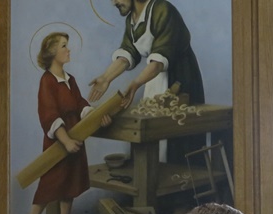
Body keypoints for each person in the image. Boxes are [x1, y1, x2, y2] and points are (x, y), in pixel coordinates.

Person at [88, 0, 206, 164]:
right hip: (153, 78)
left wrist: (136, 83)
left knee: (176, 144)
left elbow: (158, 62)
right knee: (152, 139)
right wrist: (105, 78)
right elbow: (128, 54)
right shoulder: (132, 19)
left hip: (179, 82)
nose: (114, 2)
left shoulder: (163, 10)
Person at [24, 33, 109, 214]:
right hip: (58, 139)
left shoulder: (70, 79)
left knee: (72, 174)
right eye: (64, 46)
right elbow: (49, 114)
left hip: (75, 132)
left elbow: (80, 103)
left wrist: (96, 116)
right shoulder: (47, 81)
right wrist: (66, 140)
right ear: (52, 52)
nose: (68, 50)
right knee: (52, 178)